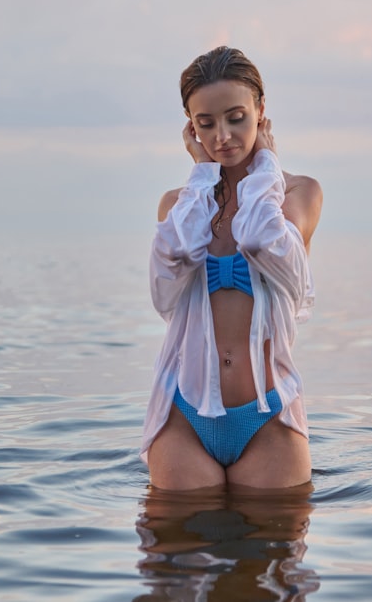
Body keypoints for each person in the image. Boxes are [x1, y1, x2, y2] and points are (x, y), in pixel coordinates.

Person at [141, 46, 322, 490]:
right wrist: (201, 177)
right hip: (184, 418)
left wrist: (265, 168)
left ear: (261, 112)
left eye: (236, 117)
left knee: (273, 557)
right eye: (206, 124)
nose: (222, 135)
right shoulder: (178, 205)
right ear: (190, 127)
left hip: (266, 417)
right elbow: (165, 287)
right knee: (173, 555)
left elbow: (264, 239)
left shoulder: (299, 194)